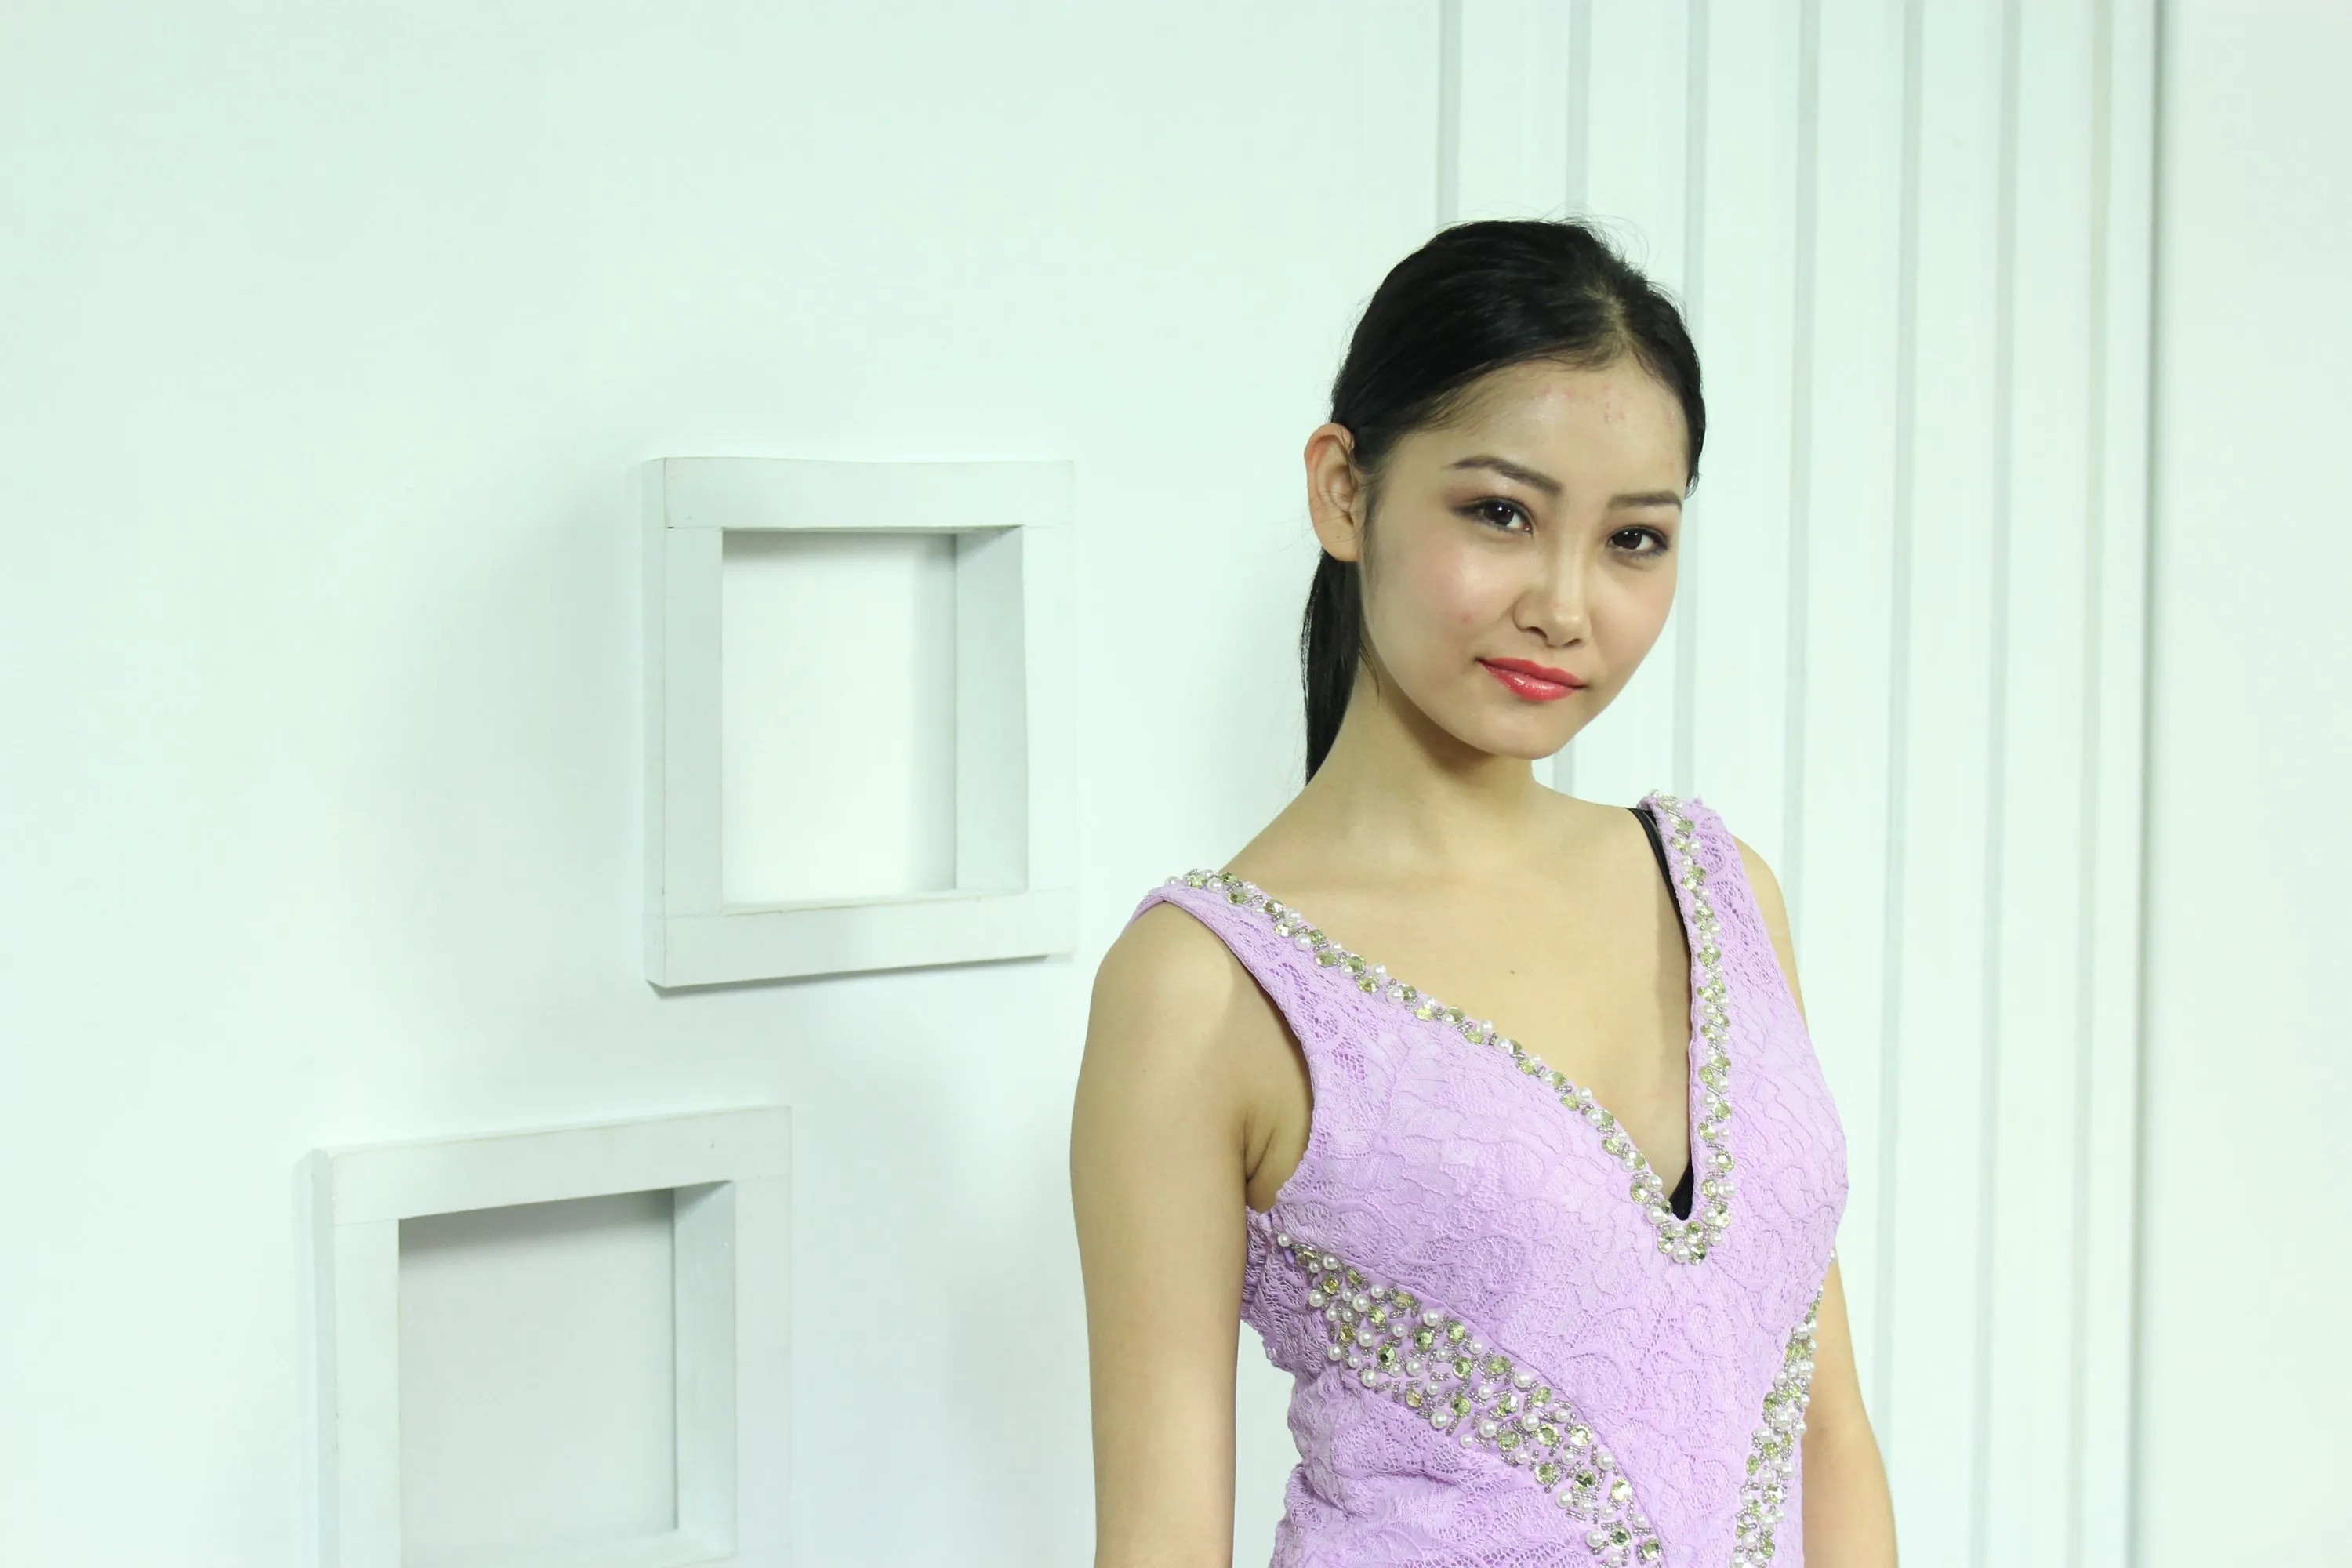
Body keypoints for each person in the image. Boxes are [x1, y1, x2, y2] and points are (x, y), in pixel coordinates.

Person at [1069, 217, 1897, 1568]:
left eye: (1635, 539)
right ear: (1344, 492)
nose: (1566, 606)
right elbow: (1159, 1547)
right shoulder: (1203, 988)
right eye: (1501, 513)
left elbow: (1827, 1438)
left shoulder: (1723, 894)